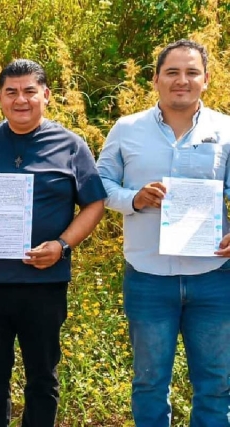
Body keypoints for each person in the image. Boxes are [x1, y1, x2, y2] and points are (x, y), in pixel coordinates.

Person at [0, 59, 106, 427]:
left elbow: (95, 204)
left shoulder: (70, 145)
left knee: (42, 379)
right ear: (1, 98)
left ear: (46, 96)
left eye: (29, 91)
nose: (20, 99)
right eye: (11, 92)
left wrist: (62, 246)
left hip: (44, 284)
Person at [96, 39, 230, 426]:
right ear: (155, 79)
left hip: (214, 278)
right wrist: (133, 198)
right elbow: (99, 183)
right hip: (148, 277)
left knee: (217, 384)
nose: (181, 81)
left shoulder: (226, 129)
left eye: (191, 72)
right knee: (150, 382)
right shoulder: (127, 129)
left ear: (206, 80)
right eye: (172, 72)